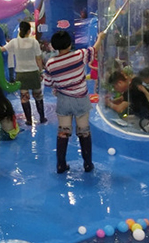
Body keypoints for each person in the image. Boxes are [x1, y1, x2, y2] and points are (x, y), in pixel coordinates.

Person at [44, 30, 106, 173]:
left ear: (54, 46)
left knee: (63, 131)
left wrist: (59, 86)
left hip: (63, 100)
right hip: (81, 99)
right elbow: (94, 49)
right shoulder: (79, 55)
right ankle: (88, 164)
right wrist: (100, 38)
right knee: (84, 130)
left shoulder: (51, 63)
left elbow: (48, 83)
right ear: (69, 44)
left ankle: (61, 165)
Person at [1, 21, 47, 125]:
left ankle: (29, 120)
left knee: (24, 97)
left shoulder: (14, 42)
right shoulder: (34, 42)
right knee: (38, 96)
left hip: (21, 74)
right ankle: (42, 118)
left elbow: (2, 49)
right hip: (33, 72)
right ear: (29, 31)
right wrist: (40, 71)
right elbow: (38, 58)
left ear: (19, 30)